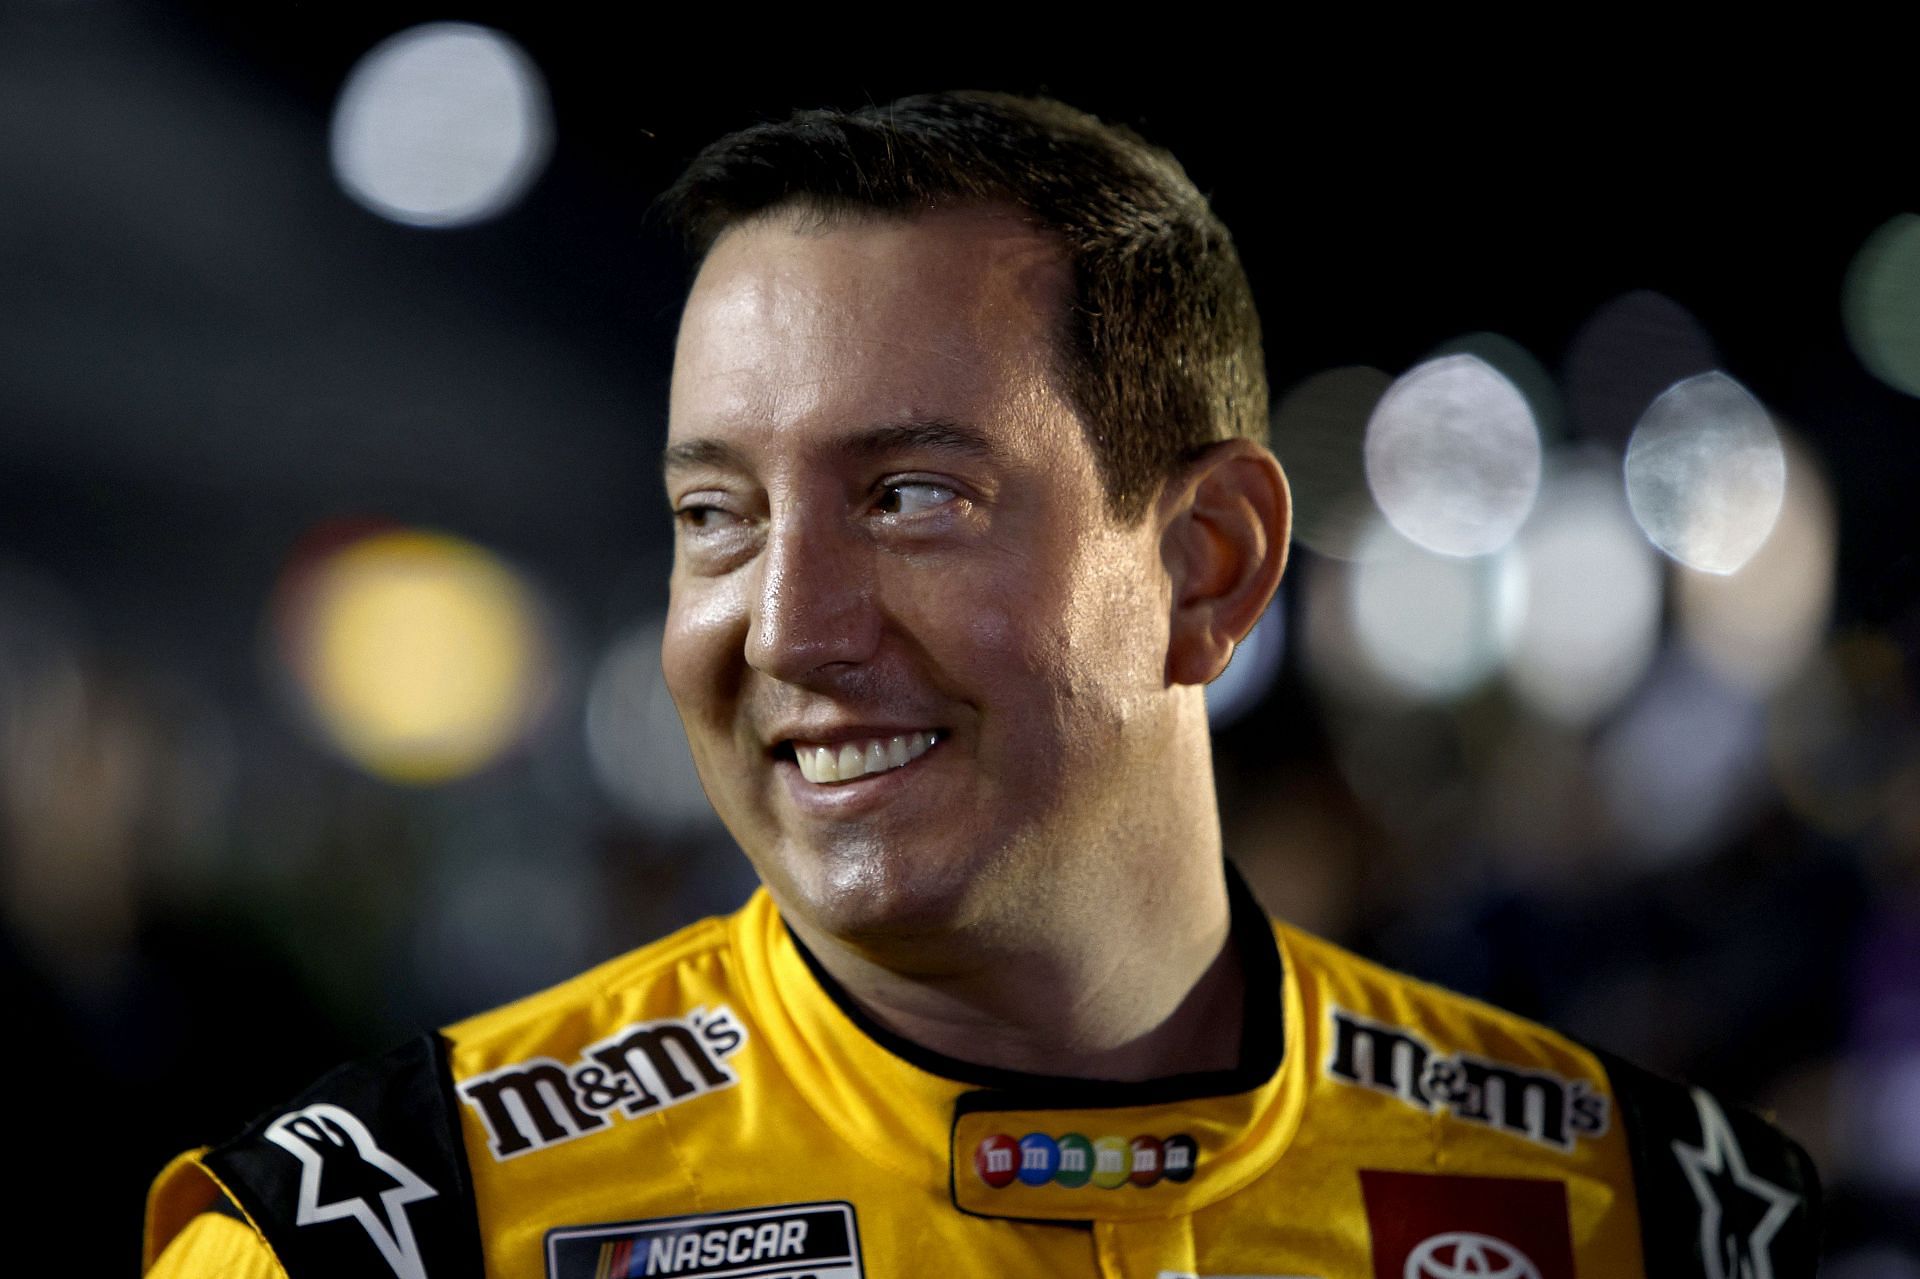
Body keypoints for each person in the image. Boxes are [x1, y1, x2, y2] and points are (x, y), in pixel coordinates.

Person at [144, 91, 1820, 1279]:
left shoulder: (1653, 1215)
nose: (788, 627)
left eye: (911, 497)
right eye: (714, 516)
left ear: (1209, 562)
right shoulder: (379, 1235)